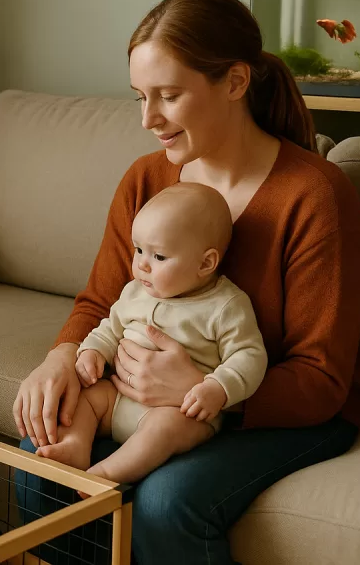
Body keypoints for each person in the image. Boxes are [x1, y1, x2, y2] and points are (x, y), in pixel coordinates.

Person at [12, 0, 360, 565]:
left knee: (165, 502)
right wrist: (60, 358)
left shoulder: (315, 197)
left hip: (292, 411)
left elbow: (322, 379)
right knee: (39, 462)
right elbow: (103, 299)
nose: (148, 118)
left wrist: (204, 394)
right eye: (139, 97)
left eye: (169, 96)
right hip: (150, 399)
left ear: (234, 83)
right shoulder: (146, 179)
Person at [35, 182, 267, 492]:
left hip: (179, 412)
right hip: (118, 397)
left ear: (205, 263)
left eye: (159, 257)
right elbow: (109, 326)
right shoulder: (134, 291)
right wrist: (92, 352)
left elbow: (249, 355)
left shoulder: (225, 305)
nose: (142, 264)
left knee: (165, 428)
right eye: (139, 250)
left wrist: (217, 388)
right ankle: (76, 446)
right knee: (85, 400)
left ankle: (108, 473)